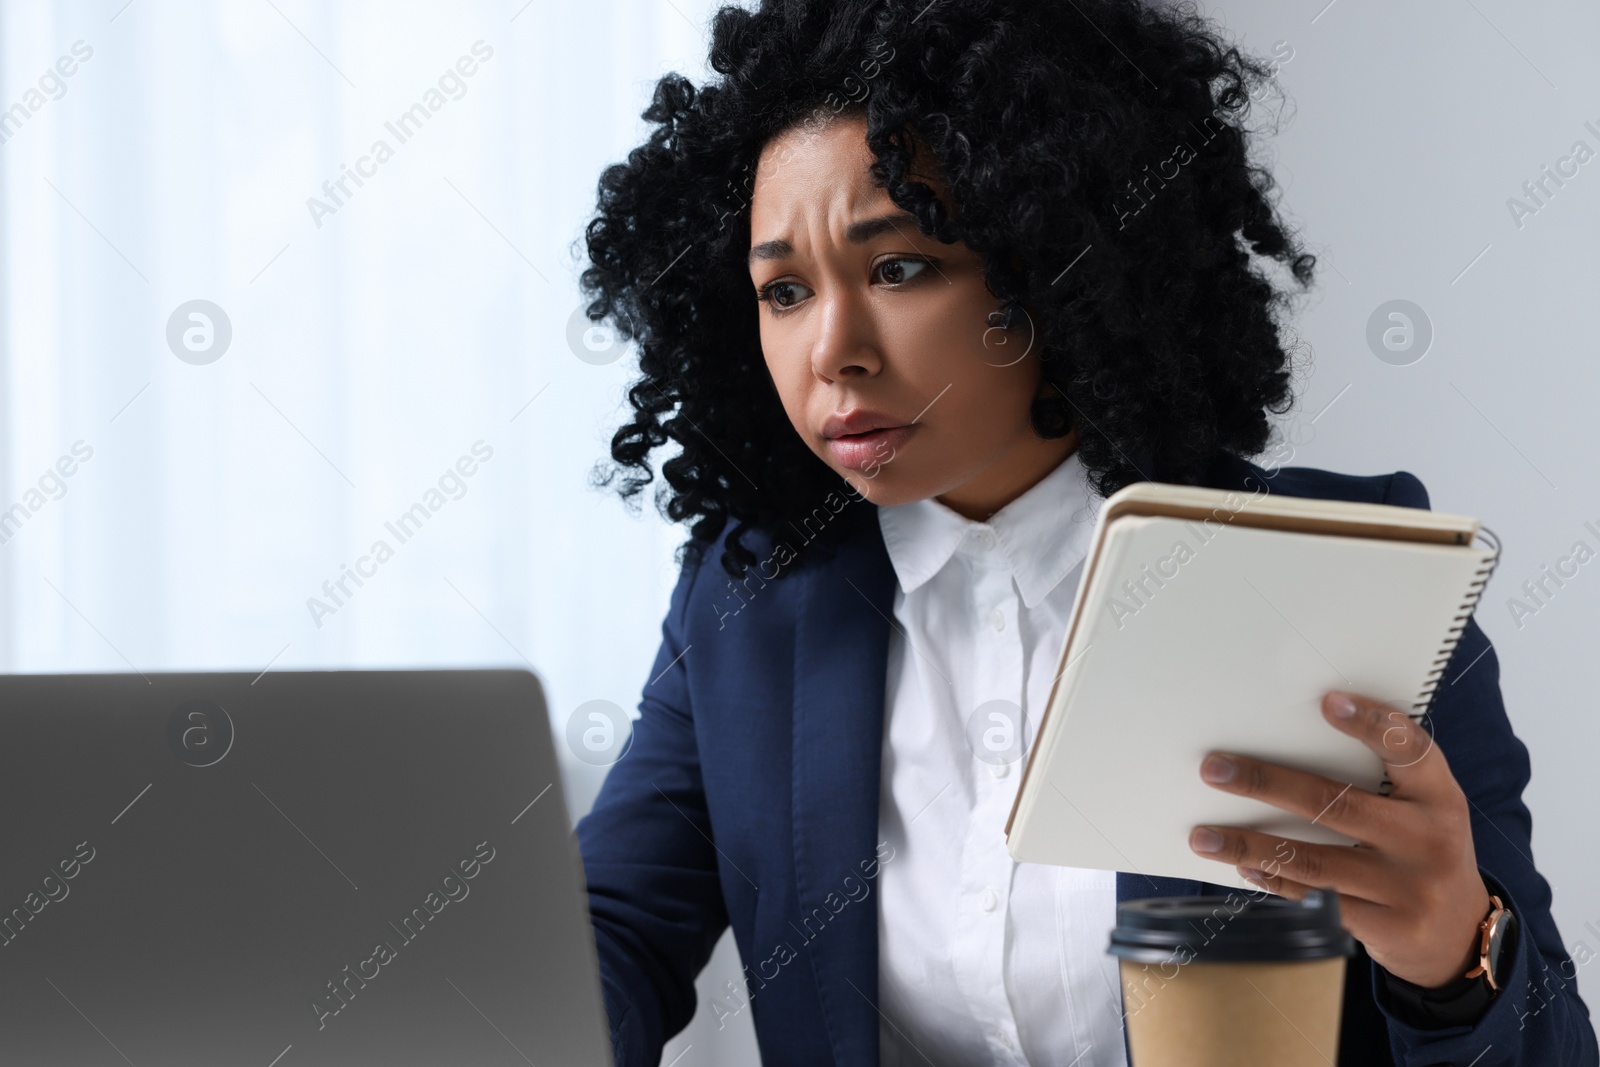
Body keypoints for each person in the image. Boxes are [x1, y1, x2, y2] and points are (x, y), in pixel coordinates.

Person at [574, 1, 1597, 1064]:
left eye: (899, 268)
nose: (831, 349)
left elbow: (1549, 1044)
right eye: (782, 289)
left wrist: (1454, 955)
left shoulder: (1338, 577)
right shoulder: (750, 598)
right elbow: (611, 935)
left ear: (1048, 257)